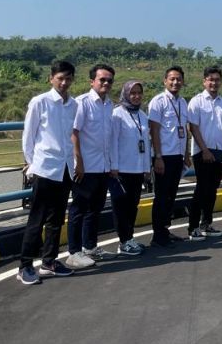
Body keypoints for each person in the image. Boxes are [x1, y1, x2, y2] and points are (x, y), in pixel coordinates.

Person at [16, 60, 78, 285]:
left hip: (65, 169)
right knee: (37, 219)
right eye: (60, 78)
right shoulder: (40, 102)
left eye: (68, 79)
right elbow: (29, 135)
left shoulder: (73, 104)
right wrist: (31, 163)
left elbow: (71, 136)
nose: (64, 83)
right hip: (44, 168)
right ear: (51, 78)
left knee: (56, 219)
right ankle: (24, 266)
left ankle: (49, 262)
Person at [67, 64, 115, 268]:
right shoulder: (82, 103)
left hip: (103, 167)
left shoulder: (109, 105)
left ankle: (90, 247)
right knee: (78, 209)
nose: (106, 83)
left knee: (95, 209)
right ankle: (73, 252)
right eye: (102, 79)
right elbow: (74, 133)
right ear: (92, 81)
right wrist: (78, 161)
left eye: (109, 80)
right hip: (85, 167)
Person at [148, 66, 192, 247]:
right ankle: (158, 235)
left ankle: (165, 230)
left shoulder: (182, 102)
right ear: (165, 81)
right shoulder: (158, 101)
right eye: (172, 79)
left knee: (171, 196)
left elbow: (185, 130)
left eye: (179, 79)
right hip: (163, 156)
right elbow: (154, 130)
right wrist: (158, 156)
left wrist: (186, 153)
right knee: (161, 196)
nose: (175, 82)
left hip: (177, 156)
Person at [186, 65, 222, 240]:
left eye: (217, 80)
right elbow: (193, 127)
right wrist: (204, 150)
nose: (214, 83)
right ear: (204, 81)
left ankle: (206, 224)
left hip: (220, 151)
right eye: (211, 79)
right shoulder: (196, 102)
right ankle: (193, 227)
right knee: (201, 189)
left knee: (212, 190)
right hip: (202, 152)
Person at [108, 80, 151, 256]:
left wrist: (146, 167)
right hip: (121, 169)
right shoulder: (117, 114)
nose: (136, 96)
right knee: (121, 207)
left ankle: (129, 237)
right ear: (125, 94)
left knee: (133, 206)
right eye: (132, 93)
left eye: (139, 93)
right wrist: (114, 166)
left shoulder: (142, 115)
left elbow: (146, 143)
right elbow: (113, 142)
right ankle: (123, 241)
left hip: (137, 168)